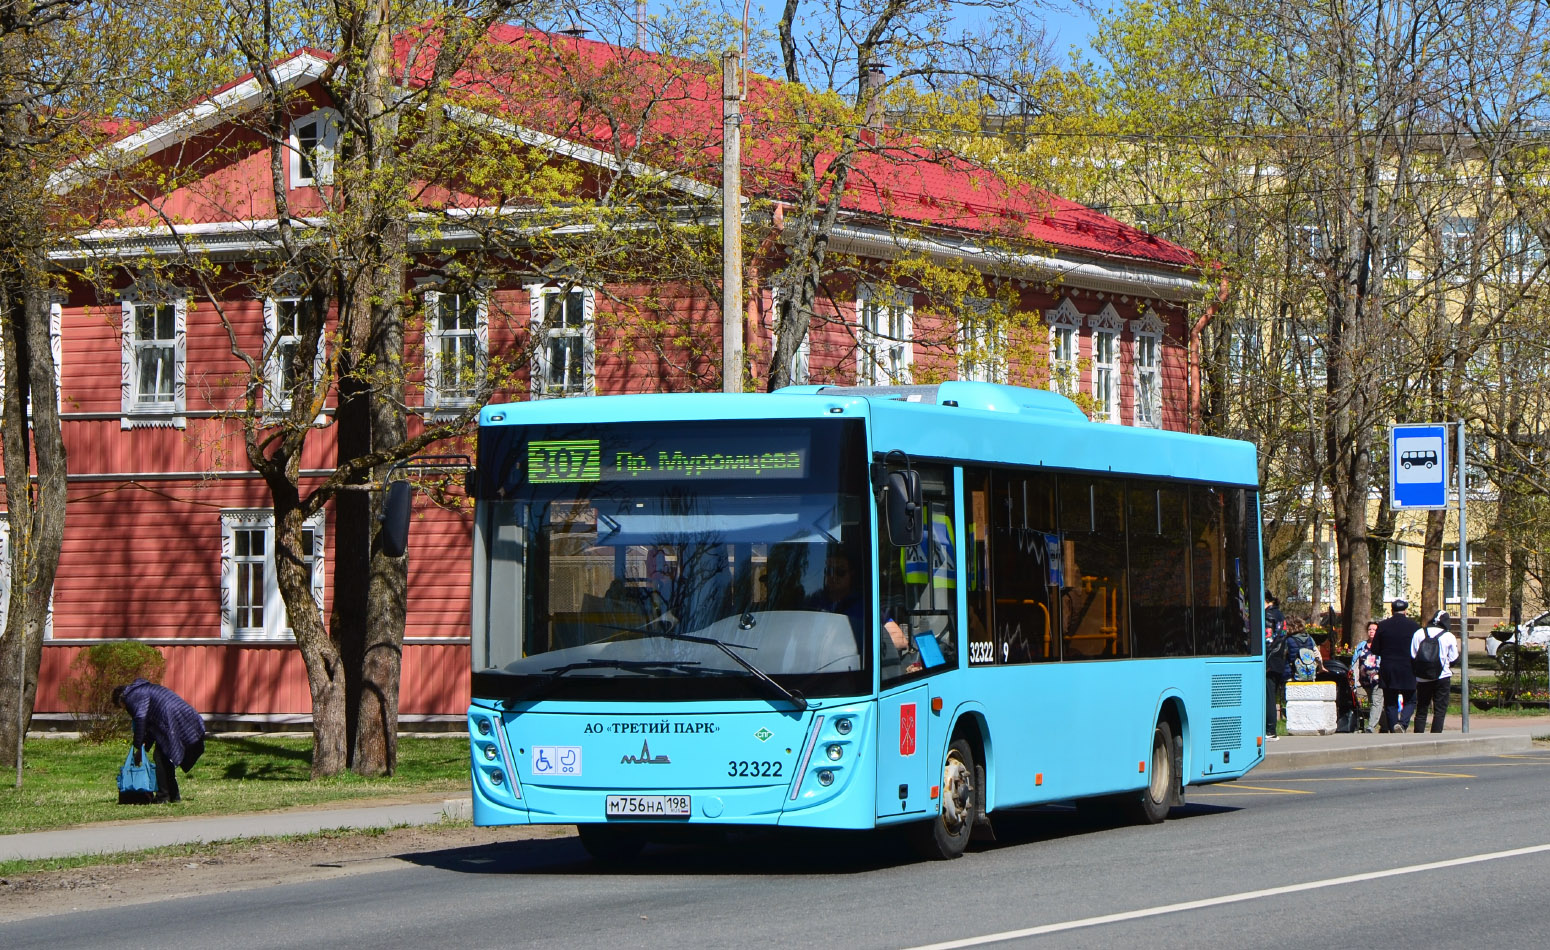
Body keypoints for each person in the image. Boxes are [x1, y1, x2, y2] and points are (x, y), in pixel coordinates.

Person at [113, 679, 207, 804]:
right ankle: (173, 795)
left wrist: (137, 747)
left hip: (172, 718)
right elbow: (150, 725)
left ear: (121, 701)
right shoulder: (140, 691)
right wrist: (143, 747)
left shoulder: (131, 697)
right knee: (163, 756)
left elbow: (141, 719)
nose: (125, 710)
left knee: (160, 756)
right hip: (179, 715)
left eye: (121, 707)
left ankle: (163, 797)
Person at [1372, 599, 1420, 733]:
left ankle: (1393, 728)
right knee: (1411, 699)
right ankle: (1403, 723)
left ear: (1392, 610)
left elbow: (1375, 648)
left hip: (1388, 668)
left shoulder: (1383, 625)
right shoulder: (1414, 627)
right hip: (1408, 668)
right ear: (1405, 611)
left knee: (1390, 701)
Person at [1411, 610, 1461, 733]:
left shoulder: (1419, 633)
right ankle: (1435, 735)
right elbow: (1454, 659)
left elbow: (1413, 655)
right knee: (1440, 709)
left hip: (1422, 677)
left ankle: (1418, 735)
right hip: (1442, 676)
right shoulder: (1448, 636)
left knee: (1422, 708)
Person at [1352, 620, 1383, 733]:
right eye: (1370, 629)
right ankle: (1364, 724)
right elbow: (1355, 662)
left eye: (1374, 630)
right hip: (1363, 680)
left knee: (1376, 701)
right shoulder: (1361, 645)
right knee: (1364, 704)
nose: (1371, 631)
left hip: (1377, 680)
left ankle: (1370, 727)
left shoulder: (1381, 645)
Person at [1264, 593, 1288, 737]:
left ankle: (1270, 730)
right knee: (1271, 695)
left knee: (1268, 697)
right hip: (1279, 660)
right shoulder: (1279, 614)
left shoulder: (1268, 616)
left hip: (1269, 660)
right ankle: (1271, 729)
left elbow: (1267, 641)